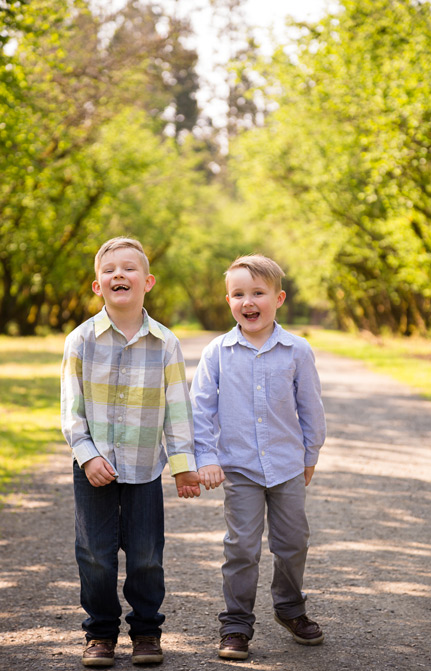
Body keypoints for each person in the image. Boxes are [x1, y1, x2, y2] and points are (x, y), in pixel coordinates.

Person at [61, 237, 201, 667]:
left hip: (145, 469)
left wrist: (182, 467)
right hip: (95, 471)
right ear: (97, 286)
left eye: (129, 268)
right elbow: (72, 410)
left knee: (146, 557)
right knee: (95, 555)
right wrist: (87, 454)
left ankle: (145, 632)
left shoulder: (166, 343)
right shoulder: (81, 340)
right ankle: (100, 634)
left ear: (148, 282)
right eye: (109, 270)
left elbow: (177, 410)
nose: (119, 274)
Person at [190, 254, 327, 661]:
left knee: (292, 543)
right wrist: (205, 457)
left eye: (258, 293)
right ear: (228, 300)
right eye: (238, 294)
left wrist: (310, 453)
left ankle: (289, 608)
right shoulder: (217, 352)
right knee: (242, 546)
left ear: (279, 298)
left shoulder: (297, 350)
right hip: (240, 468)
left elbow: (311, 407)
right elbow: (200, 410)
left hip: (286, 466)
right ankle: (236, 623)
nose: (247, 302)